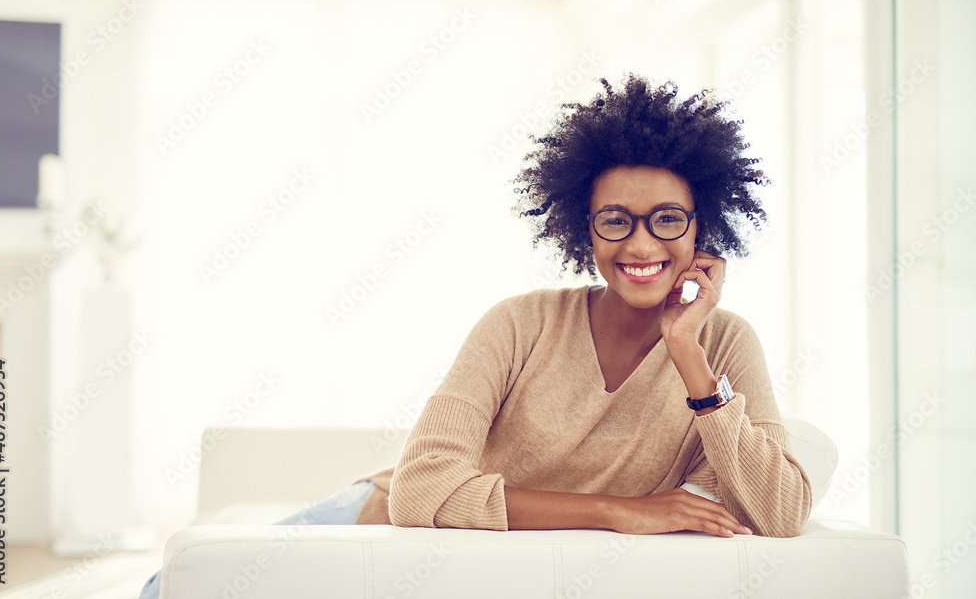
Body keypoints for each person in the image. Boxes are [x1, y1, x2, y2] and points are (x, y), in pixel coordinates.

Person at [140, 74, 809, 597]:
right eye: (615, 220)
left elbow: (781, 511)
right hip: (373, 529)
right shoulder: (518, 322)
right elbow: (420, 490)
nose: (640, 243)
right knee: (171, 585)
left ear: (702, 228)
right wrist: (618, 509)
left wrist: (689, 355)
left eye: (667, 219)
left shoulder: (722, 343)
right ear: (583, 230)